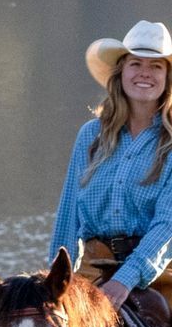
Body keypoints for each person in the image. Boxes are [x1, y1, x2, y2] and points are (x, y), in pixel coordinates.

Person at [52, 20, 172, 302]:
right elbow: (68, 217)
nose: (145, 73)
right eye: (136, 64)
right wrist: (55, 281)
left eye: (156, 66)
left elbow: (168, 224)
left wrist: (125, 280)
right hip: (92, 271)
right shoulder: (90, 135)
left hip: (160, 274)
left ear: (168, 77)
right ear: (121, 73)